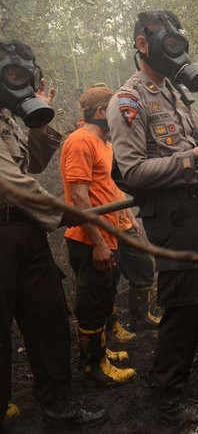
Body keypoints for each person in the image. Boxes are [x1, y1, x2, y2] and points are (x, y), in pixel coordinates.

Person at [108, 10, 198, 424]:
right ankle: (166, 396)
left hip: (196, 205)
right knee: (181, 302)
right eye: (167, 44)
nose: (175, 52)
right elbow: (133, 171)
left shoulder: (174, 93)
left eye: (180, 45)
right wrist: (196, 156)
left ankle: (178, 376)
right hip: (168, 213)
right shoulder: (129, 99)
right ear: (143, 44)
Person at [0, 39, 108, 430]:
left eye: (27, 78)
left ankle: (58, 406)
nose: (22, 86)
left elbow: (30, 165)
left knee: (48, 318)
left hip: (25, 232)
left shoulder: (7, 120)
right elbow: (11, 183)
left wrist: (39, 127)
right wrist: (65, 212)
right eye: (13, 76)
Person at [61, 85, 136, 385]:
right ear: (102, 112)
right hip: (89, 239)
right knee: (91, 305)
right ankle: (93, 367)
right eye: (116, 109)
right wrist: (99, 243)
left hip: (108, 237)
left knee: (103, 297)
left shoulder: (105, 143)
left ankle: (101, 353)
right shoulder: (80, 142)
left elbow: (109, 190)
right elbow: (79, 198)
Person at [115, 188, 161, 332]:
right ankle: (112, 327)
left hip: (123, 227)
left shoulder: (110, 165)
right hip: (105, 227)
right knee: (107, 279)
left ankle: (141, 319)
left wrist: (131, 218)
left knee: (143, 265)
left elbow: (117, 192)